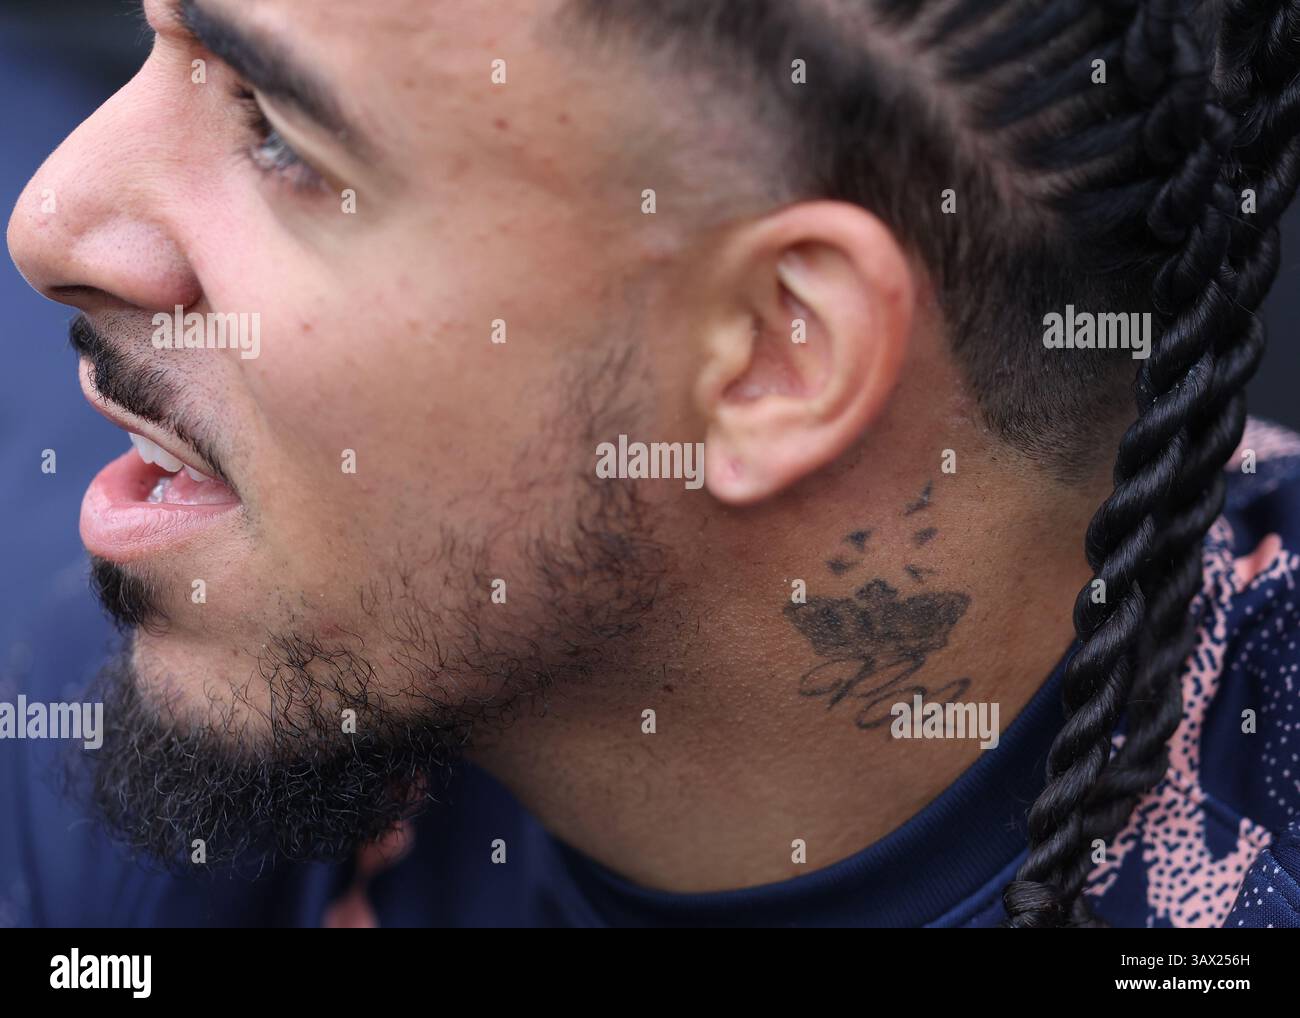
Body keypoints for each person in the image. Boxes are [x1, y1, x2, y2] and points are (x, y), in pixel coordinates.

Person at [3, 0, 1299, 928]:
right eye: (153, 39)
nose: (48, 220)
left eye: (275, 129)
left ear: (774, 357)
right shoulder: (148, 709)